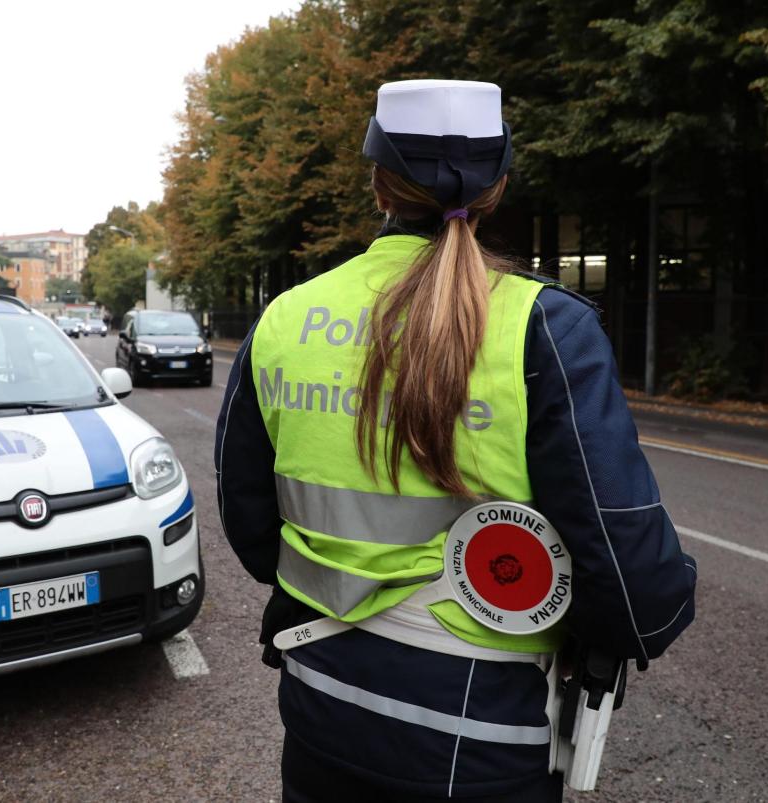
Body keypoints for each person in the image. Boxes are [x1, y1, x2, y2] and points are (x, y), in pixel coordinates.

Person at [215, 80, 697, 802]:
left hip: (321, 705)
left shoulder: (286, 316)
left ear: (378, 179)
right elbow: (636, 588)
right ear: (499, 184)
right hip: (482, 735)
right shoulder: (546, 327)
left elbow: (251, 525)